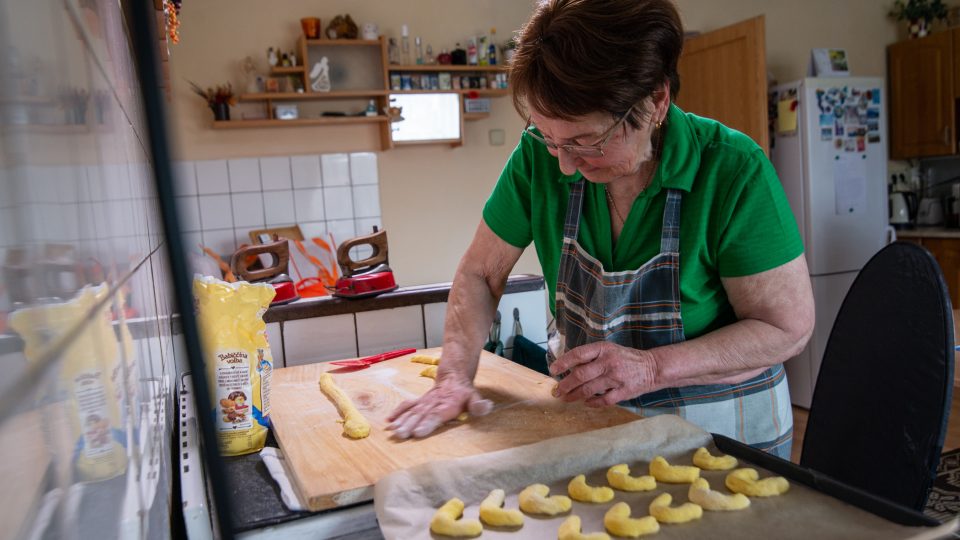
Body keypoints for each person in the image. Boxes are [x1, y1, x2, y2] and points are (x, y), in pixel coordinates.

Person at [387, 0, 814, 459]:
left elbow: (786, 328)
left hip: (725, 437)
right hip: (599, 430)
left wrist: (652, 368)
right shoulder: (538, 159)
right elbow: (479, 273)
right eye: (551, 139)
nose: (565, 163)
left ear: (656, 101)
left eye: (585, 141)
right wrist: (453, 375)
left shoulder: (732, 169)